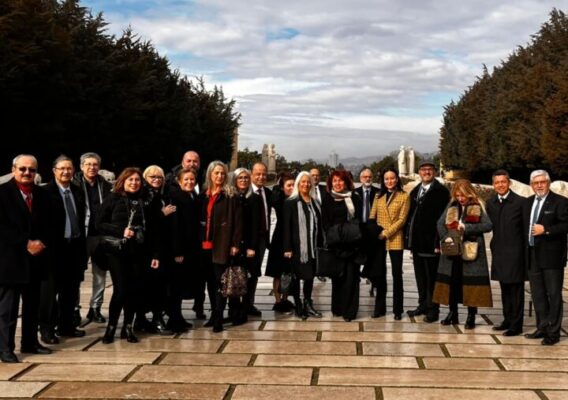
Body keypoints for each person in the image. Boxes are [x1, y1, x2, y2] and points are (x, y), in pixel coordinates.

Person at [96, 167, 161, 344]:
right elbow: (99, 224)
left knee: (134, 291)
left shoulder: (145, 200)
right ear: (123, 181)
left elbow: (153, 230)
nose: (134, 183)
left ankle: (128, 327)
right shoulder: (113, 199)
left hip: (139, 252)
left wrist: (155, 254)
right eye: (130, 180)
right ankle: (111, 327)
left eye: (137, 180)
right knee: (121, 290)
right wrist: (120, 231)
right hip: (117, 251)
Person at [0, 155, 52, 362]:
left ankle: (30, 342)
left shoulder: (43, 195)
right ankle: (5, 348)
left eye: (31, 170)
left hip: (36, 259)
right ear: (13, 169)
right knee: (8, 309)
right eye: (22, 169)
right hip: (10, 260)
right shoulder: (2, 194)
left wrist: (41, 243)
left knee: (32, 305)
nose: (27, 173)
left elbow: (51, 224)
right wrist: (25, 243)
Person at [433, 179, 493, 329]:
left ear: (469, 193)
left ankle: (471, 315)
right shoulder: (452, 205)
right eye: (458, 195)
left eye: (463, 195)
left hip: (470, 252)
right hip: (452, 252)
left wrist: (466, 228)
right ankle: (453, 313)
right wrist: (445, 237)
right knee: (452, 283)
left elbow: (488, 225)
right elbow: (440, 223)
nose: (460, 198)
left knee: (470, 285)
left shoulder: (477, 205)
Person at [40, 156, 87, 345]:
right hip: (54, 249)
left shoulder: (76, 191)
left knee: (70, 290)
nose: (66, 172)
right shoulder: (45, 192)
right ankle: (47, 329)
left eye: (69, 168)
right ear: (54, 170)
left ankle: (66, 325)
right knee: (50, 293)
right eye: (62, 169)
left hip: (74, 247)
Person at [523, 170, 568, 345]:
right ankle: (542, 327)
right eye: (536, 183)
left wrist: (546, 230)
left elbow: (565, 224)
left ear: (548, 183)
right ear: (531, 185)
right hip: (532, 254)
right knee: (538, 294)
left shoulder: (560, 202)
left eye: (542, 182)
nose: (539, 185)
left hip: (552, 256)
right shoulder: (527, 203)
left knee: (554, 294)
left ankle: (553, 332)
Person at [199, 161, 242, 332]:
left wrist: (235, 244)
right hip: (204, 245)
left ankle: (218, 317)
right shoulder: (204, 194)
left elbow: (238, 223)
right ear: (210, 174)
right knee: (210, 283)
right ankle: (213, 314)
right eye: (216, 173)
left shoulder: (231, 195)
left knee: (221, 282)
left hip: (222, 244)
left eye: (222, 173)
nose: (219, 176)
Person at [405, 160, 450, 323]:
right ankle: (423, 304)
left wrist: (439, 242)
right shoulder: (416, 190)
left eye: (429, 169)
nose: (426, 172)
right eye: (423, 170)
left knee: (432, 278)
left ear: (435, 172)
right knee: (420, 277)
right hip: (417, 243)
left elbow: (444, 219)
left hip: (432, 243)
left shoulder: (441, 192)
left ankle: (433, 309)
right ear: (419, 172)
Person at [486, 169, 527, 336]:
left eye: (503, 182)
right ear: (493, 185)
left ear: (509, 183)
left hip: (516, 252)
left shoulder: (520, 202)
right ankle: (507, 319)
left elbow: (525, 230)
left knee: (516, 290)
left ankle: (516, 325)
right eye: (497, 182)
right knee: (504, 288)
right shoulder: (491, 203)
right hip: (500, 251)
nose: (500, 185)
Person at [73, 152, 112, 326]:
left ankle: (95, 308)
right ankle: (74, 308)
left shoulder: (104, 185)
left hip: (100, 235)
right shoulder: (74, 183)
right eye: (88, 164)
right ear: (81, 166)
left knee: (100, 274)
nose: (92, 167)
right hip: (80, 235)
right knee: (76, 274)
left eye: (95, 164)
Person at [137, 165, 177, 334]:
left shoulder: (161, 195)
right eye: (152, 176)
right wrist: (162, 214)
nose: (156, 179)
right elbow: (147, 223)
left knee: (160, 285)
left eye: (159, 177)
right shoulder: (144, 197)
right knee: (152, 286)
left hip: (161, 247)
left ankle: (152, 318)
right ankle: (150, 319)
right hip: (148, 249)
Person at [321, 170, 363, 322]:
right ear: (331, 183)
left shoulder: (354, 198)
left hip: (352, 244)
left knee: (351, 278)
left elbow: (358, 220)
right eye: (335, 181)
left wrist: (348, 234)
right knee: (337, 278)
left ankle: (350, 311)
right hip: (335, 244)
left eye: (340, 181)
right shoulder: (327, 199)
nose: (337, 184)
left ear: (346, 182)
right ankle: (337, 308)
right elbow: (325, 222)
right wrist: (334, 236)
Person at [368, 168, 410, 320]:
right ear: (383, 181)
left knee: (397, 275)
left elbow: (402, 220)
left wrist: (386, 233)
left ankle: (398, 309)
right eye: (386, 179)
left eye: (392, 178)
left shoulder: (404, 196)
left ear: (397, 179)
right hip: (379, 240)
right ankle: (380, 308)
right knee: (380, 274)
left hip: (395, 239)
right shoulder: (378, 196)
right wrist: (375, 233)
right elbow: (372, 216)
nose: (389, 181)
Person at [283, 171, 323, 319]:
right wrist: (287, 248)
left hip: (312, 248)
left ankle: (308, 302)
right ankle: (298, 304)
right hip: (297, 248)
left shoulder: (315, 202)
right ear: (298, 184)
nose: (306, 184)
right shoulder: (291, 202)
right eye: (303, 182)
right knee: (296, 277)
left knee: (310, 276)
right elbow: (286, 227)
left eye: (308, 182)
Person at [169, 168, 202, 331]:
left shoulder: (193, 196)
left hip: (191, 249)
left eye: (192, 179)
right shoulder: (175, 198)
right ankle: (174, 319)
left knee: (181, 285)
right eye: (186, 180)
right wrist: (177, 252)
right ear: (179, 181)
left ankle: (178, 317)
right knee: (176, 287)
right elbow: (175, 227)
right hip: (180, 250)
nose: (189, 182)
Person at [229, 168, 259, 325]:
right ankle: (233, 310)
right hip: (233, 244)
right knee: (232, 278)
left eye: (246, 178)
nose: (243, 180)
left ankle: (244, 309)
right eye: (240, 178)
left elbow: (256, 225)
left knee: (247, 278)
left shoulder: (254, 199)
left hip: (247, 245)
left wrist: (251, 246)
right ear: (235, 180)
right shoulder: (230, 197)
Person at [265, 172, 296, 313]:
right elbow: (273, 201)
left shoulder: (296, 199)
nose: (292, 187)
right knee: (277, 272)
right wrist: (278, 187)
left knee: (288, 272)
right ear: (283, 187)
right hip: (280, 238)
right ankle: (278, 301)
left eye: (293, 185)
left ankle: (285, 298)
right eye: (288, 185)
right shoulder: (279, 199)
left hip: (293, 238)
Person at [248, 162, 272, 316]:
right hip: (247, 240)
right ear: (252, 174)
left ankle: (249, 303)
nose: (261, 177)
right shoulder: (246, 191)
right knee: (244, 272)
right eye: (257, 173)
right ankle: (238, 305)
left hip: (262, 238)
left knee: (255, 272)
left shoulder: (267, 193)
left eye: (263, 174)